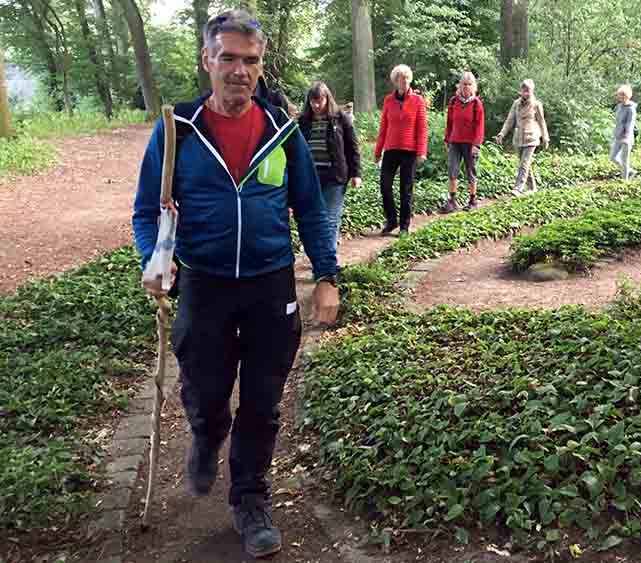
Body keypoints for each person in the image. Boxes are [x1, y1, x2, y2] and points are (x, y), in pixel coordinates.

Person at [132, 10, 340, 559]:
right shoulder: (177, 130)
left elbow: (311, 209)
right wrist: (154, 259)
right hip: (202, 285)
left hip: (271, 283)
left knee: (264, 402)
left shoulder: (283, 132)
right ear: (207, 60)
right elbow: (145, 211)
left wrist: (326, 275)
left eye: (250, 60)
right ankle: (205, 434)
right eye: (228, 58)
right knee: (205, 392)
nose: (239, 71)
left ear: (261, 65)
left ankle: (249, 498)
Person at [298, 81, 362, 252]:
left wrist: (356, 174)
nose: (316, 105)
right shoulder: (303, 121)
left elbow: (352, 147)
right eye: (313, 101)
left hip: (335, 176)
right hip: (311, 177)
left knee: (330, 219)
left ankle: (328, 260)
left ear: (327, 99)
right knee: (313, 218)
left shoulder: (341, 119)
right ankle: (319, 254)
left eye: (320, 101)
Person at [374, 64, 428, 235]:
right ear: (395, 81)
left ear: (410, 80)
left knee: (406, 189)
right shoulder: (388, 100)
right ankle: (392, 220)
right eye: (400, 79)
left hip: (409, 151)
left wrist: (421, 152)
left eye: (406, 78)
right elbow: (383, 127)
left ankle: (404, 226)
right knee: (385, 186)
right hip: (391, 149)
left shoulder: (418, 101)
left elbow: (422, 128)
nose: (403, 82)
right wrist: (377, 151)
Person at [495, 79, 550, 196]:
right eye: (524, 90)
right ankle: (532, 187)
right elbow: (510, 120)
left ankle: (518, 188)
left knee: (524, 163)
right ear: (521, 91)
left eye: (528, 91)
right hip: (519, 138)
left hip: (532, 138)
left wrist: (545, 138)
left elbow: (542, 122)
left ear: (532, 91)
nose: (526, 93)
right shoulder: (516, 104)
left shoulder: (536, 105)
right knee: (524, 163)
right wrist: (502, 133)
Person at [441, 71, 485, 213]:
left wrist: (476, 145)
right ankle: (452, 201)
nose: (466, 87)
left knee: (470, 171)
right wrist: (447, 139)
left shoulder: (476, 104)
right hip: (455, 141)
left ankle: (472, 200)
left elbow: (479, 126)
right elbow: (449, 122)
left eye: (469, 84)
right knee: (452, 171)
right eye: (464, 84)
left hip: (470, 143)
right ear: (459, 85)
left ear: (474, 86)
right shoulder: (454, 101)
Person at [610, 84, 637, 181]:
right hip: (618, 136)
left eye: (622, 95)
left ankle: (625, 182)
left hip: (627, 137)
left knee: (624, 160)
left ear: (627, 95)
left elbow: (630, 124)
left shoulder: (631, 109)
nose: (620, 96)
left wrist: (626, 137)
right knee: (613, 157)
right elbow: (617, 120)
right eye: (619, 95)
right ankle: (630, 171)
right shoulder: (619, 106)